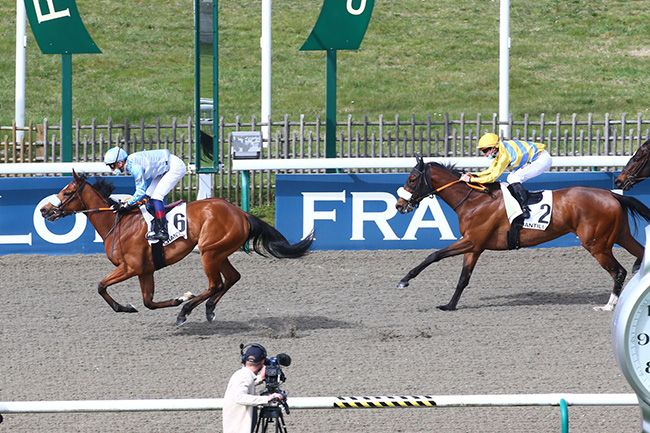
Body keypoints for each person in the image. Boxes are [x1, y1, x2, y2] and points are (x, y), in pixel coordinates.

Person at [103, 147, 186, 242]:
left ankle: (163, 230)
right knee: (148, 198)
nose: (112, 169)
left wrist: (127, 204)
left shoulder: (134, 167)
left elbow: (140, 191)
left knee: (156, 197)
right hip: (165, 169)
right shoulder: (130, 163)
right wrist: (128, 203)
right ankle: (157, 224)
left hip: (174, 167)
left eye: (112, 166)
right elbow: (143, 194)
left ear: (120, 163)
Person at [460, 133, 552, 218]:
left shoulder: (504, 156)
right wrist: (474, 175)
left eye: (485, 151)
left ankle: (524, 208)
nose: (484, 155)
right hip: (536, 158)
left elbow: (492, 178)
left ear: (493, 148)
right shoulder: (501, 150)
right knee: (511, 178)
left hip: (542, 160)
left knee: (514, 178)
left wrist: (471, 180)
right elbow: (490, 170)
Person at [223, 343, 285, 433]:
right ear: (263, 361)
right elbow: (240, 397)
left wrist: (261, 378)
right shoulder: (243, 376)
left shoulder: (243, 375)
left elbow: (247, 384)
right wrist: (268, 398)